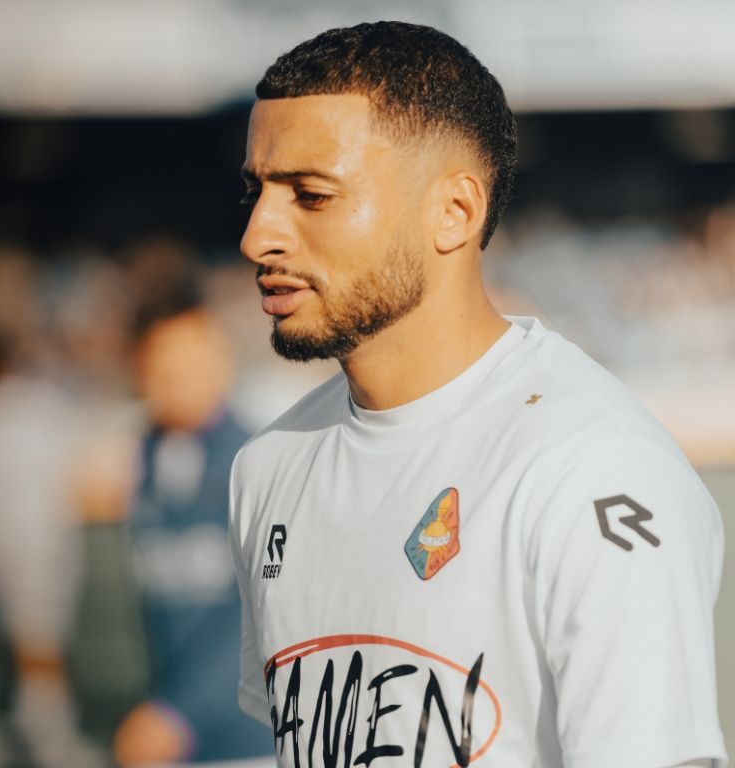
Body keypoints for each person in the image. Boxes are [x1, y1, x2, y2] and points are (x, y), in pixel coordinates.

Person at [229, 20, 726, 768]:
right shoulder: (267, 466)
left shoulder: (594, 469)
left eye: (311, 195)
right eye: (257, 191)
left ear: (455, 212)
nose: (258, 235)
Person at [113, 286, 273, 765]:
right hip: (167, 736)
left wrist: (178, 714)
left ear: (221, 360)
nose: (179, 380)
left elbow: (259, 616)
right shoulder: (139, 460)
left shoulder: (257, 462)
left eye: (193, 360)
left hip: (248, 740)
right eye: (163, 366)